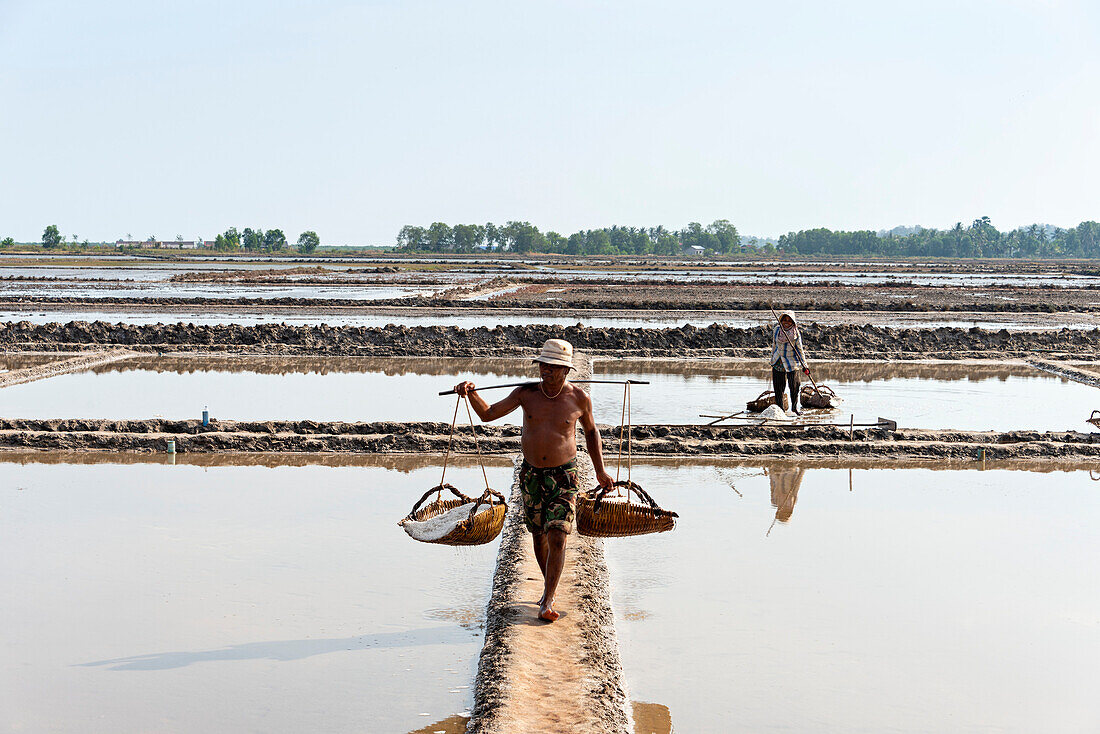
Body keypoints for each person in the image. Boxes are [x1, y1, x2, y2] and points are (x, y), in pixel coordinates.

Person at [454, 338, 614, 623]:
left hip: (564, 476)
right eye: (543, 365)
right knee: (538, 534)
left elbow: (591, 433)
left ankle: (548, 599)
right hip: (531, 475)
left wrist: (600, 470)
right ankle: (547, 587)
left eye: (552, 367)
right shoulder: (526, 394)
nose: (546, 371)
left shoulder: (578, 398)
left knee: (558, 534)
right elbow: (489, 414)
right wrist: (471, 393)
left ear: (565, 371)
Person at [771, 310, 810, 414]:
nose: (786, 322)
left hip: (791, 362)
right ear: (781, 320)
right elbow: (774, 345)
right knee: (779, 388)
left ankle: (794, 408)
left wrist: (805, 366)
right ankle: (780, 410)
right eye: (784, 320)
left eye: (789, 320)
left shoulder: (795, 333)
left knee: (794, 386)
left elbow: (800, 350)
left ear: (793, 322)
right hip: (778, 361)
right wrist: (772, 360)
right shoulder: (777, 330)